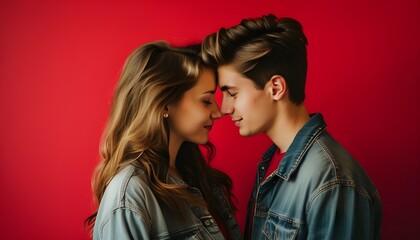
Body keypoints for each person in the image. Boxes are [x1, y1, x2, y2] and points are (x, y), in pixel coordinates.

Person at [201, 14, 382, 239]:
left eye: (232, 93)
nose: (224, 108)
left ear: (276, 88)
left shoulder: (332, 181)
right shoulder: (272, 165)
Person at [85, 41, 243, 240]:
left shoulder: (197, 178)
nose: (218, 112)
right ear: (165, 104)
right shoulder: (130, 194)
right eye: (206, 100)